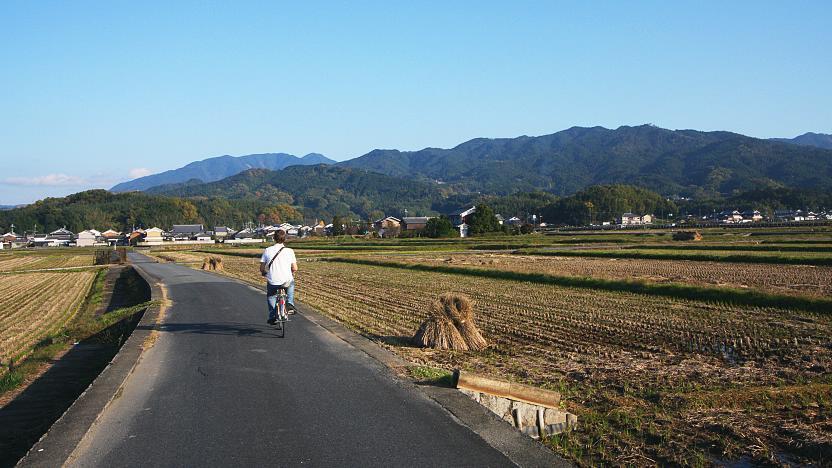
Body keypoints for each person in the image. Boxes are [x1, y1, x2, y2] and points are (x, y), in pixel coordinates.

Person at [260, 229, 297, 324]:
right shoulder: (290, 251)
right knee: (291, 284)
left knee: (271, 296)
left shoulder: (267, 250)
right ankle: (290, 304)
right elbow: (295, 268)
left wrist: (264, 272)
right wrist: (292, 271)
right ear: (285, 239)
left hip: (273, 281)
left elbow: (262, 268)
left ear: (274, 238)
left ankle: (272, 315)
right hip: (286, 280)